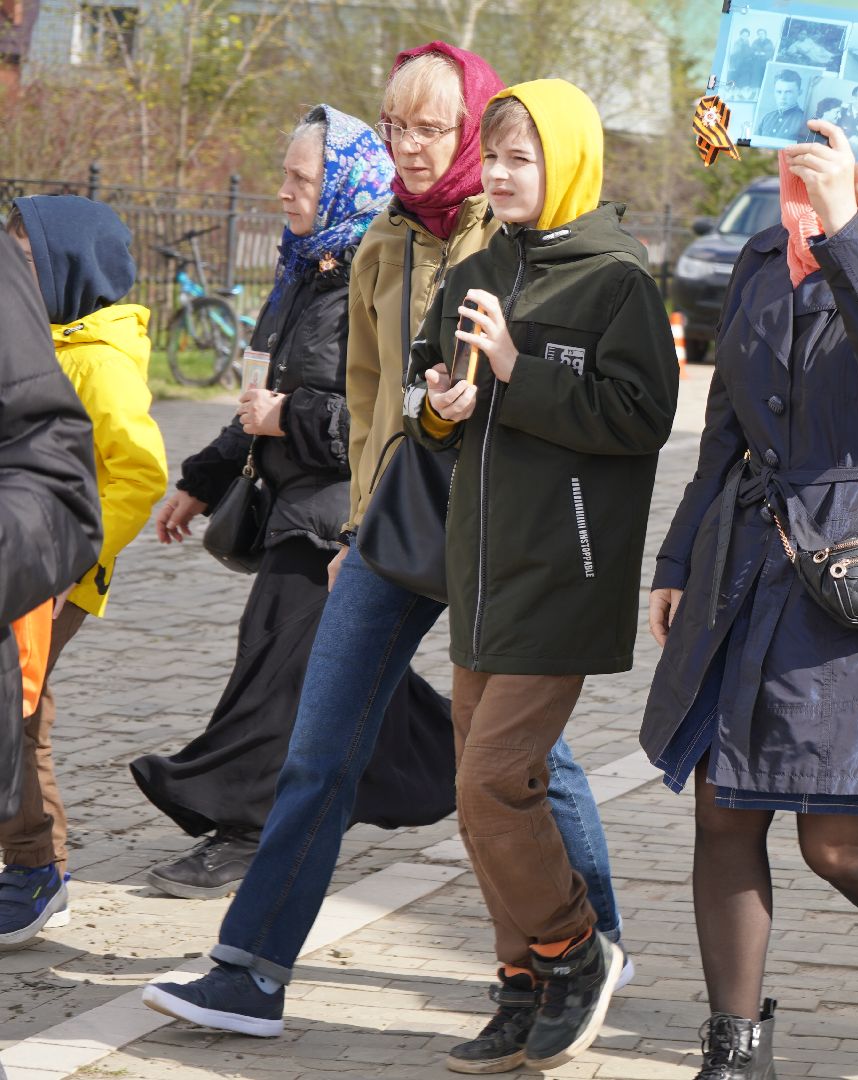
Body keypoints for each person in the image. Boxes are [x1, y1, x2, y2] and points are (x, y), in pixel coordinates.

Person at [141, 43, 629, 1045]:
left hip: (504, 526)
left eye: (434, 128)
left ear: (476, 131)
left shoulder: (523, 232)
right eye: (397, 126)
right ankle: (250, 973)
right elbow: (371, 404)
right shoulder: (379, 246)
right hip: (397, 520)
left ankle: (592, 942)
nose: (413, 147)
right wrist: (358, 523)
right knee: (319, 747)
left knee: (527, 756)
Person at [639, 110, 858, 1080]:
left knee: (838, 841)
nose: (806, 149)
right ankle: (733, 1052)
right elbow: (726, 427)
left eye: (835, 133)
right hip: (745, 567)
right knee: (722, 810)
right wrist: (676, 559)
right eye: (797, 131)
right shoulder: (756, 256)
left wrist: (842, 229)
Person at [404, 79, 677, 1072]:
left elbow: (641, 418)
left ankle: (570, 954)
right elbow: (423, 401)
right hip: (482, 572)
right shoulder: (474, 269)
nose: (505, 176)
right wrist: (439, 403)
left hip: (564, 570)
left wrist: (521, 371)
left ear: (567, 162)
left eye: (525, 159)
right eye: (498, 158)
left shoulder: (617, 282)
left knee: (489, 786)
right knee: (479, 790)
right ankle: (520, 983)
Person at [131, 107, 455, 902]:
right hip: (292, 506)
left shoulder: (377, 285)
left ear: (342, 184)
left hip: (343, 517)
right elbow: (257, 397)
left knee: (275, 671)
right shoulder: (303, 273)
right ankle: (486, 760)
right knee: (349, 682)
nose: (283, 193)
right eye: (284, 176)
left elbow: (393, 418)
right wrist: (203, 478)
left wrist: (292, 420)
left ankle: (243, 828)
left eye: (301, 179)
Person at [0, 197, 167, 950]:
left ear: (67, 269)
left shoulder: (96, 359)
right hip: (26, 556)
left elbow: (139, 471)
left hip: (53, 569)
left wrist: (78, 559)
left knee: (22, 708)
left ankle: (36, 867)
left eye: (22, 258)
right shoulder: (44, 339)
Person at [0, 235, 101, 941]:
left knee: (34, 721)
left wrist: (74, 573)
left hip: (59, 583)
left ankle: (40, 866)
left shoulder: (96, 355)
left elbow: (74, 475)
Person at [755, 69, 808, 141]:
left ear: (799, 93)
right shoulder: (767, 118)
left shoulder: (804, 121)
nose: (782, 97)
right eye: (779, 92)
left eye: (788, 92)